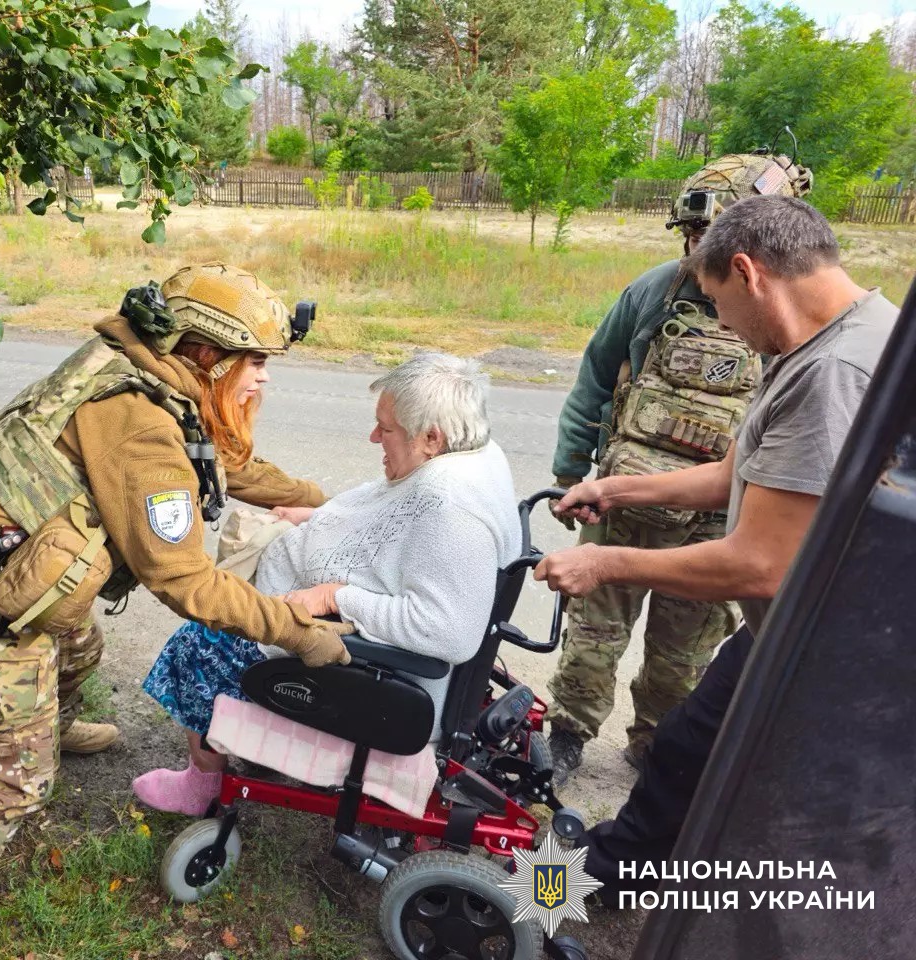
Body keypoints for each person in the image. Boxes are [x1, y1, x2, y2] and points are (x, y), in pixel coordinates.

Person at [0, 262, 355, 960]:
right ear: (205, 353)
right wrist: (300, 633)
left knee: (79, 650)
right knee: (7, 790)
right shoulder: (140, 425)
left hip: (19, 574)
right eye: (256, 362)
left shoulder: (152, 374)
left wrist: (323, 501)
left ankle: (45, 728)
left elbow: (218, 464)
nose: (265, 377)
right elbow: (184, 579)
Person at [536, 195, 899, 897]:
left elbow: (763, 565)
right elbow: (735, 476)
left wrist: (604, 559)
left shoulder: (833, 374)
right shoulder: (829, 338)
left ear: (748, 271)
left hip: (821, 644)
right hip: (805, 628)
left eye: (719, 301)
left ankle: (550, 900)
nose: (723, 322)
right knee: (686, 757)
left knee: (705, 774)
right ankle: (606, 890)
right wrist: (615, 492)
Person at [131, 353, 522, 815]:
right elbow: (396, 527)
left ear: (431, 438)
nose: (374, 436)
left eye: (387, 429)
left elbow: (448, 632)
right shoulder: (472, 455)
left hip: (374, 672)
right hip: (323, 608)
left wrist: (334, 595)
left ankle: (202, 786)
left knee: (200, 639)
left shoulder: (453, 508)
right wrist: (320, 518)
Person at [545, 154, 814, 785]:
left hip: (719, 520)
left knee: (683, 652)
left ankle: (657, 749)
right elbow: (594, 381)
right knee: (595, 628)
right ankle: (566, 735)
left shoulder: (793, 318)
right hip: (624, 502)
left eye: (711, 239)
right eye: (693, 238)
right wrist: (569, 473)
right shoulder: (652, 291)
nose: (699, 253)